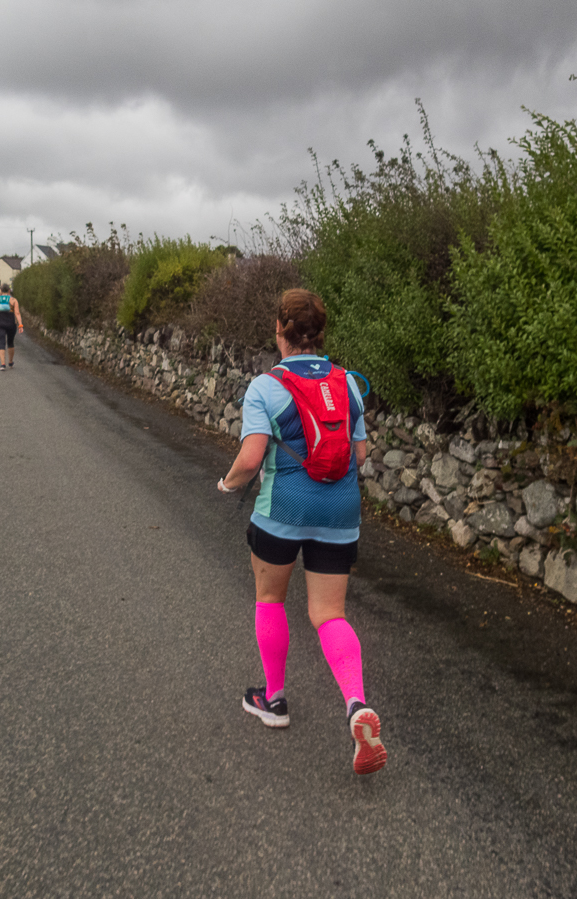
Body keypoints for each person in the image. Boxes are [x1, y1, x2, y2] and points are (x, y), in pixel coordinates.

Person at [217, 288, 386, 775]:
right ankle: (356, 704)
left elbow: (251, 458)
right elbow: (358, 455)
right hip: (340, 513)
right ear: (321, 333)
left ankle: (274, 701)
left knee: (270, 600)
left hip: (283, 510)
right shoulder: (348, 384)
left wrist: (228, 485)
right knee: (330, 613)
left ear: (279, 331)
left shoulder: (266, 387)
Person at [0, 283, 24, 371]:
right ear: (9, 290)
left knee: (1, 342)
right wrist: (20, 325)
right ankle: (10, 362)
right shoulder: (13, 300)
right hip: (11, 324)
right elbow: (17, 313)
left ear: (0, 291)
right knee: (10, 342)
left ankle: (2, 364)